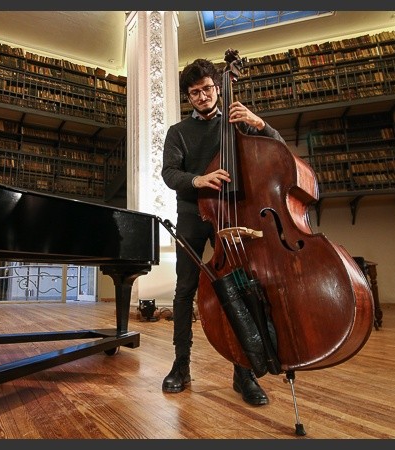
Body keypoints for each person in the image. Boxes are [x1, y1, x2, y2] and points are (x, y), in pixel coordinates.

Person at [160, 58, 287, 405]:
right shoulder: (178, 132)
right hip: (192, 212)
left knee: (241, 289)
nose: (202, 96)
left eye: (207, 89)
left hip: (233, 211)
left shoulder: (237, 121)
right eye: (194, 92)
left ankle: (243, 373)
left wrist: (260, 124)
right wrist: (198, 179)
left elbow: (278, 151)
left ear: (218, 87)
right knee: (184, 288)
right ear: (189, 96)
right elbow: (169, 173)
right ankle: (181, 366)